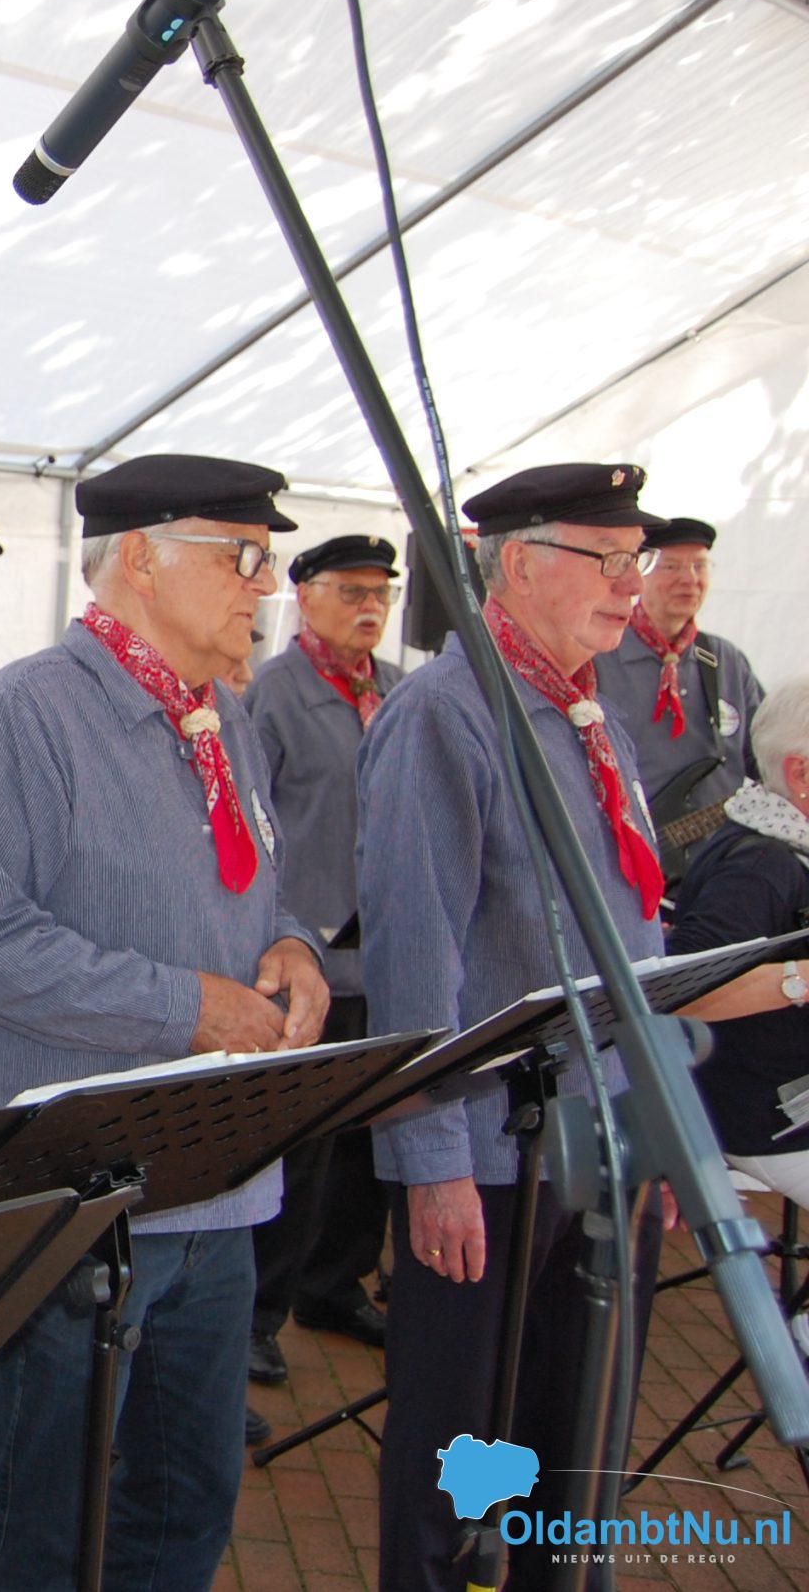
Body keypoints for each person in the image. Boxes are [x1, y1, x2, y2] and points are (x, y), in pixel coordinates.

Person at [359, 463, 794, 1592]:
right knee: (465, 1453)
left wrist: (659, 1127)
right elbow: (415, 960)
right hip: (489, 1152)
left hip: (601, 1142)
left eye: (633, 559)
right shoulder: (448, 714)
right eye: (605, 559)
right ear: (517, 564)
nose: (630, 584)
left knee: (580, 1425)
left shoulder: (585, 713)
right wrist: (431, 1165)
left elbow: (632, 941)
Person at [0, 454, 328, 1592]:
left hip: (219, 1187)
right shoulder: (27, 713)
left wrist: (292, 945)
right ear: (141, 560)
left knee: (186, 1496)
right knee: (41, 1517)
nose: (266, 584)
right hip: (80, 1198)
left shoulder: (223, 716)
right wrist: (186, 1004)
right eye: (243, 557)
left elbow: (257, 887)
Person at [241, 536, 404, 1389]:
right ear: (304, 597)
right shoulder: (273, 694)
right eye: (351, 591)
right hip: (308, 963)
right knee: (296, 1148)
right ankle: (257, 1316)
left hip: (388, 957)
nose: (370, 607)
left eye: (381, 593)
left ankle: (334, 1285)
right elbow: (248, 826)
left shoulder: (400, 690)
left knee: (370, 1141)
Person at [668, 675, 809, 1204]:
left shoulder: (782, 834)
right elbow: (681, 990)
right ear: (800, 772)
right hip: (776, 1115)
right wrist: (801, 979)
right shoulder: (759, 865)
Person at [592, 516, 765, 882]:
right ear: (641, 573)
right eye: (671, 567)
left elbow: (765, 756)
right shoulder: (600, 657)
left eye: (699, 566)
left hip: (722, 865)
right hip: (626, 865)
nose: (689, 579)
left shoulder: (725, 660)